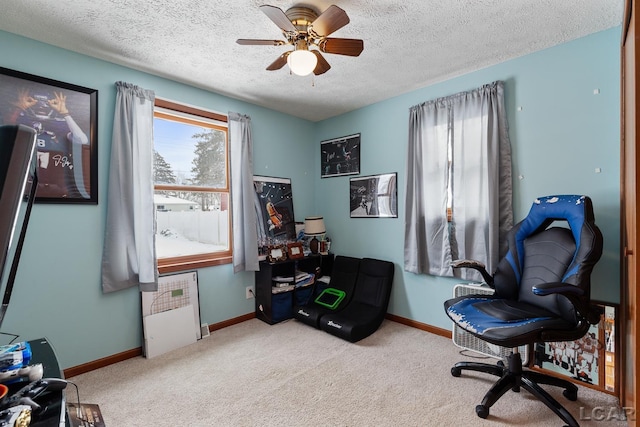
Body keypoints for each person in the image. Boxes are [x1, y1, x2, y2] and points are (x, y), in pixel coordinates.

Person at [6, 88, 90, 199]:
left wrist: (65, 113)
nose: (41, 107)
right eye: (37, 104)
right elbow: (5, 132)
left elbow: (82, 140)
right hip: (23, 184)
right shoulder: (23, 127)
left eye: (45, 105)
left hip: (57, 187)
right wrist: (19, 108)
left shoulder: (59, 130)